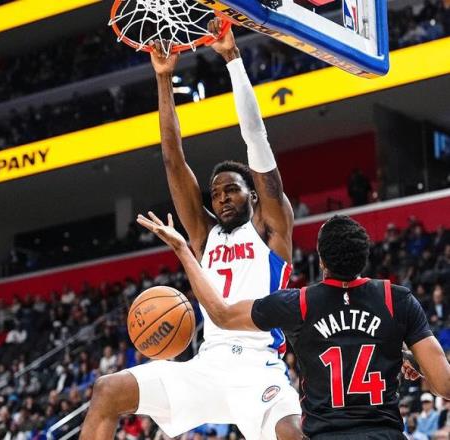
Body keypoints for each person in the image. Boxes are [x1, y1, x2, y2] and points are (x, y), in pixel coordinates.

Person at [80, 18, 301, 440]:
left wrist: (232, 58)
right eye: (215, 193)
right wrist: (164, 79)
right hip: (207, 366)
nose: (222, 198)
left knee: (293, 433)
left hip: (259, 368)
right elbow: (172, 158)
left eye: (232, 190)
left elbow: (256, 139)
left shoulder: (271, 228)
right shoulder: (203, 236)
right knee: (108, 391)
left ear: (253, 195)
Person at [136, 212, 450, 439]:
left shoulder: (299, 303)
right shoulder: (397, 300)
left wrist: (183, 249)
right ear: (364, 257)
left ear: (321, 261)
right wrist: (414, 361)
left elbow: (221, 314)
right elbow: (444, 386)